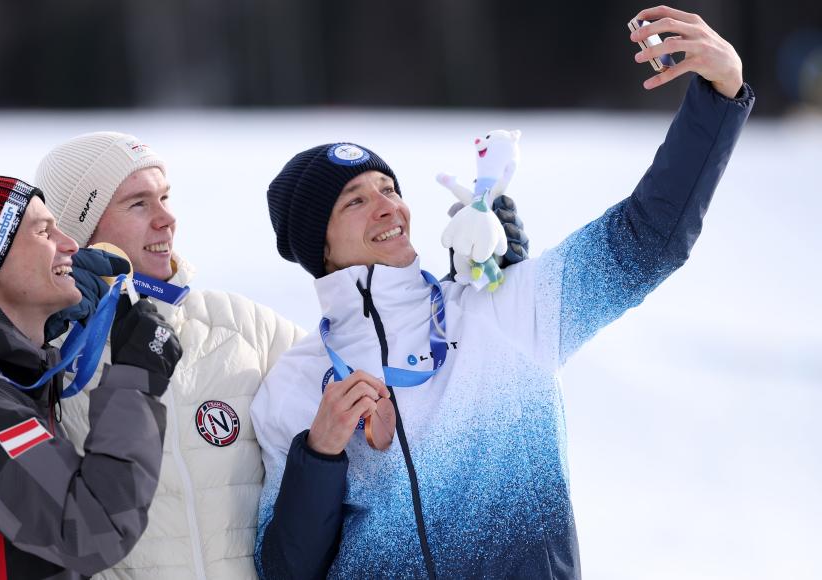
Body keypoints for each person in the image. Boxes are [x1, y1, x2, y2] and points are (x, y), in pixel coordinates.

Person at [0, 133, 529, 577]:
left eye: (166, 199)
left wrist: (471, 295)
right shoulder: (35, 360)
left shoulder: (240, 327)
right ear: (77, 229)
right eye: (139, 204)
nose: (167, 219)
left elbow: (389, 377)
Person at [250, 6, 754, 579]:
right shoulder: (293, 387)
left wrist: (720, 95)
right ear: (319, 243)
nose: (389, 206)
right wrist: (320, 455)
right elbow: (284, 570)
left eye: (389, 188)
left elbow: (645, 240)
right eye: (356, 201)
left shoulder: (502, 307)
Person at [0, 176, 180, 577]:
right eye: (44, 232)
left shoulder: (5, 380)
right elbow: (91, 531)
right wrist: (136, 381)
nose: (71, 245)